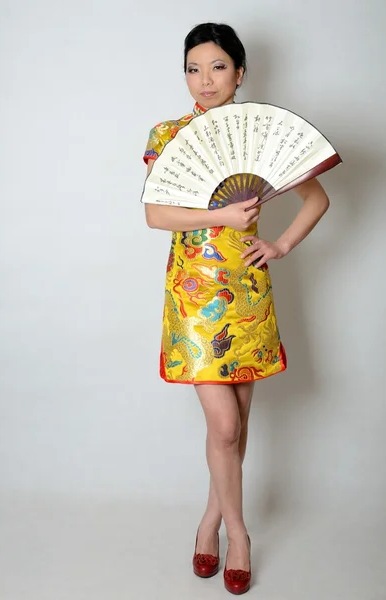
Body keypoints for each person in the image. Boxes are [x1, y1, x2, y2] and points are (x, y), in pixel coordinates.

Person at [142, 22, 330, 595]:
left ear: (240, 73)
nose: (205, 80)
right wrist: (219, 218)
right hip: (194, 299)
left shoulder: (258, 137)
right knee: (224, 425)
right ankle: (239, 534)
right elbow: (157, 216)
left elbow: (318, 197)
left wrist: (280, 245)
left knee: (235, 427)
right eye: (194, 68)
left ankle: (209, 520)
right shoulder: (169, 133)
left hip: (246, 295)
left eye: (218, 67)